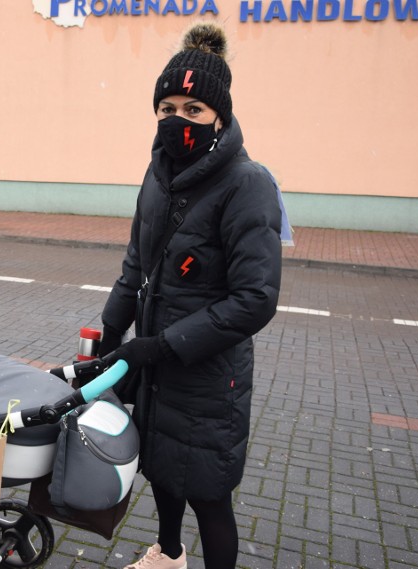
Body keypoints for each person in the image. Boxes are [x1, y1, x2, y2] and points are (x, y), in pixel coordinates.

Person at [98, 21, 283, 569]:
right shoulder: (156, 176)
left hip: (205, 373)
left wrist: (161, 346)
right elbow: (137, 262)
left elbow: (256, 299)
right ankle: (169, 555)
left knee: (207, 493)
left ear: (219, 116)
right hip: (154, 361)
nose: (178, 121)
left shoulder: (248, 184)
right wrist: (111, 333)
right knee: (161, 468)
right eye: (168, 109)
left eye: (193, 110)